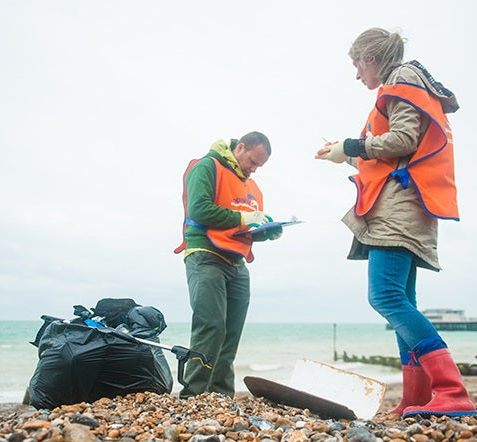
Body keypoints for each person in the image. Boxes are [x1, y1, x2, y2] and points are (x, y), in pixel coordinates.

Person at [315, 28, 476, 418]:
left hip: (398, 209)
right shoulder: (408, 85)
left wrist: (353, 146)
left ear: (372, 57)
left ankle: (452, 391)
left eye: (357, 63)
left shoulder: (401, 79)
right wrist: (343, 155)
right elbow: (394, 154)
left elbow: (403, 139)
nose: (357, 74)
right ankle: (417, 399)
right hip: (412, 204)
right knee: (403, 299)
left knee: (384, 296)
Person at [174, 132, 281, 398]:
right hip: (205, 254)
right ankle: (193, 394)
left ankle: (221, 395)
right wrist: (245, 217)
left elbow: (245, 226)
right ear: (240, 147)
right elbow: (200, 210)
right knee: (211, 326)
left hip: (236, 262)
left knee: (230, 333)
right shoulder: (206, 166)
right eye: (252, 161)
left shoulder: (252, 188)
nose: (253, 169)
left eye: (259, 166)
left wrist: (266, 230)